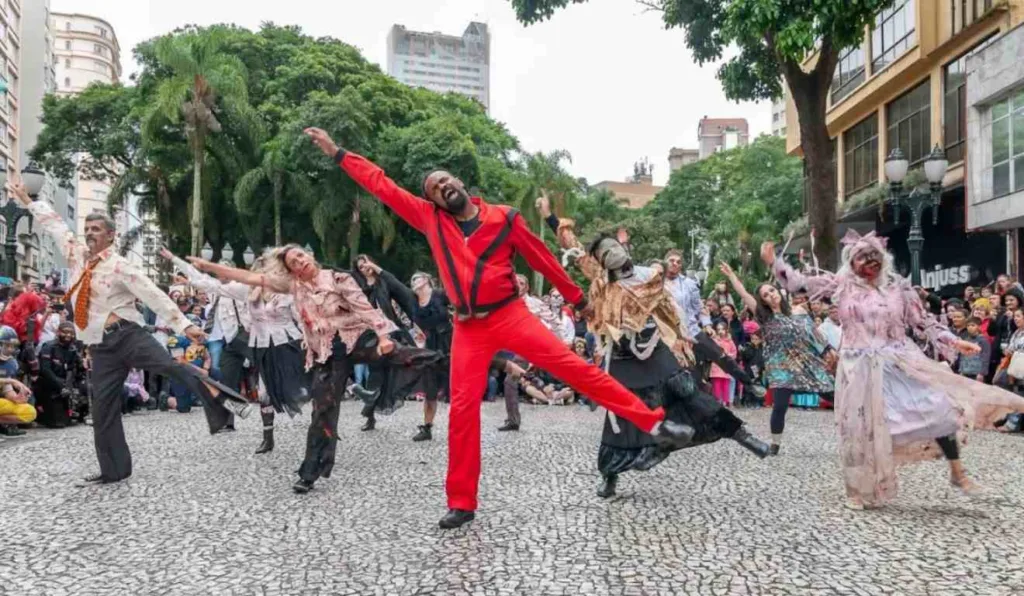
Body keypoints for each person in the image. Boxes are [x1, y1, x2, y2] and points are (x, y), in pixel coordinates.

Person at [305, 127, 695, 528]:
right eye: (434, 188)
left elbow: (542, 259)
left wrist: (576, 299)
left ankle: (654, 421)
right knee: (462, 411)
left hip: (510, 314)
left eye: (445, 180)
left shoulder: (504, 217)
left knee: (577, 370)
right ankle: (462, 501)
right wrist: (339, 154)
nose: (441, 187)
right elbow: (382, 185)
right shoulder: (431, 220)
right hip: (469, 328)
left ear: (460, 183)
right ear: (432, 199)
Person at [7, 177, 249, 486]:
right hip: (100, 346)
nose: (90, 233)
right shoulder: (74, 253)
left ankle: (225, 402)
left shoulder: (120, 266)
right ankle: (114, 470)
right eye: (88, 228)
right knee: (103, 408)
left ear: (111, 235)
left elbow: (153, 294)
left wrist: (184, 324)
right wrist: (28, 202)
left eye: (97, 230)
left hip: (127, 334)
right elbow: (53, 223)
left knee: (170, 366)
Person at [765, 230, 1024, 509]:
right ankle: (858, 489)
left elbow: (923, 322)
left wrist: (955, 340)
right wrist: (775, 262)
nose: (869, 262)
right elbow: (799, 284)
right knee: (859, 428)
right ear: (851, 262)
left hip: (897, 360)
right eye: (862, 257)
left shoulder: (898, 288)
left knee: (938, 407)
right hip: (858, 366)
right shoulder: (841, 285)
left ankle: (958, 474)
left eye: (874, 256)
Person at [543, 203, 769, 498]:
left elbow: (669, 312)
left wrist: (682, 336)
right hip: (621, 358)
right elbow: (572, 246)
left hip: (653, 349)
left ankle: (743, 436)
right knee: (620, 415)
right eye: (602, 254)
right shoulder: (601, 281)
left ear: (624, 247)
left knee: (690, 393)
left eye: (612, 247)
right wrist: (550, 217)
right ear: (599, 262)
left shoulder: (649, 275)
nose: (609, 253)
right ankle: (610, 475)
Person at [186, 245, 447, 494]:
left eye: (300, 256)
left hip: (355, 338)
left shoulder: (337, 278)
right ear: (291, 271)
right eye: (293, 262)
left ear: (309, 257)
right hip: (326, 353)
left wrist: (382, 336)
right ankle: (309, 473)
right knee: (322, 410)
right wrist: (208, 266)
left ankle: (448, 365)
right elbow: (247, 276)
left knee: (400, 354)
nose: (300, 261)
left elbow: (363, 308)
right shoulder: (292, 286)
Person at [163, 249, 306, 454]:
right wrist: (176, 260)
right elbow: (205, 282)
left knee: (292, 384)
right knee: (235, 382)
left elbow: (301, 314)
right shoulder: (244, 290)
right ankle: (257, 432)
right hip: (240, 342)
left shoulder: (284, 292)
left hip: (273, 342)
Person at [719, 261, 835, 455]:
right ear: (763, 300)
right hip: (780, 367)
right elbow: (743, 294)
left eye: (772, 290)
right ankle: (775, 444)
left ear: (779, 291)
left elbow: (815, 334)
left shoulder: (798, 311)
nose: (771, 295)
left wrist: (828, 350)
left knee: (833, 396)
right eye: (765, 295)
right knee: (780, 406)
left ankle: (861, 431)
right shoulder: (764, 316)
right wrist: (731, 275)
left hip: (805, 363)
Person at [352, 254, 419, 433]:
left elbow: (401, 290)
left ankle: (371, 407)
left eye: (366, 264)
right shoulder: (358, 287)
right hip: (370, 333)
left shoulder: (384, 282)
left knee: (404, 364)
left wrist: (379, 271)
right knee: (376, 370)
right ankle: (370, 414)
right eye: (360, 266)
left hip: (392, 329)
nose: (365, 268)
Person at [410, 271, 452, 442]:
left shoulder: (440, 294)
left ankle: (460, 426)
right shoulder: (414, 301)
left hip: (448, 342)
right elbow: (416, 326)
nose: (413, 281)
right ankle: (427, 427)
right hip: (429, 347)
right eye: (411, 280)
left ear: (426, 279)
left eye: (416, 278)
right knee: (430, 390)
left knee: (456, 386)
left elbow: (460, 304)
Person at [34, 322, 87, 428]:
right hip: (48, 386)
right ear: (58, 332)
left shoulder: (72, 349)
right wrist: (60, 385)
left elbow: (72, 369)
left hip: (64, 386)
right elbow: (45, 370)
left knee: (67, 421)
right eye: (65, 332)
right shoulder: (49, 347)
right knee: (57, 423)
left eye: (71, 333)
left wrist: (69, 385)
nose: (68, 335)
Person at [0, 325, 35, 436]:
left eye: (13, 346)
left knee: (29, 412)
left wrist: (16, 398)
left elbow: (6, 389)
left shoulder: (11, 363)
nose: (10, 349)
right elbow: (9, 382)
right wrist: (12, 381)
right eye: (7, 346)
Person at [709, 322, 738, 407]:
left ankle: (726, 401)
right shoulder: (714, 340)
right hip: (717, 365)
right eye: (718, 329)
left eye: (722, 329)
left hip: (727, 366)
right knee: (717, 384)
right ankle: (718, 401)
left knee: (726, 384)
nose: (720, 331)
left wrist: (729, 355)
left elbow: (734, 352)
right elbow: (711, 351)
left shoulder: (730, 341)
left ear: (726, 330)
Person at [958, 317, 991, 383]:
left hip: (976, 373)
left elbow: (985, 357)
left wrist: (981, 373)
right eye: (968, 325)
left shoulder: (983, 341)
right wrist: (961, 370)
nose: (970, 327)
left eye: (973, 325)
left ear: (979, 327)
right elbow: (963, 356)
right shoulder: (966, 340)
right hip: (965, 371)